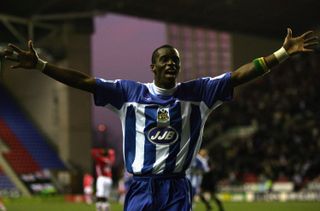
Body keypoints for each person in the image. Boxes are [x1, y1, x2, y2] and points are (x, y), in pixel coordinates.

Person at [3, 28, 318, 211]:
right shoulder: (129, 93)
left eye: (175, 60)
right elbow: (85, 81)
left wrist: (282, 53)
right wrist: (42, 65)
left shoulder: (199, 94)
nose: (171, 63)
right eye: (165, 59)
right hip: (141, 187)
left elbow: (238, 76)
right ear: (152, 66)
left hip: (176, 188)